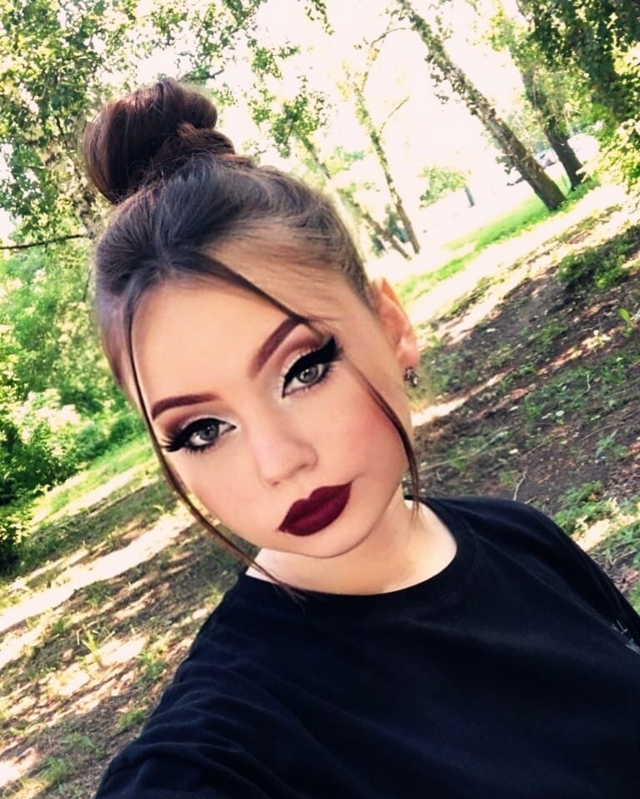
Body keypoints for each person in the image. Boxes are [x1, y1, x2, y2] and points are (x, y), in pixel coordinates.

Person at [86, 78, 640, 799]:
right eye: (201, 430)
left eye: (303, 369)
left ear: (391, 325)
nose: (278, 463)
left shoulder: (521, 538)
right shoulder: (220, 750)